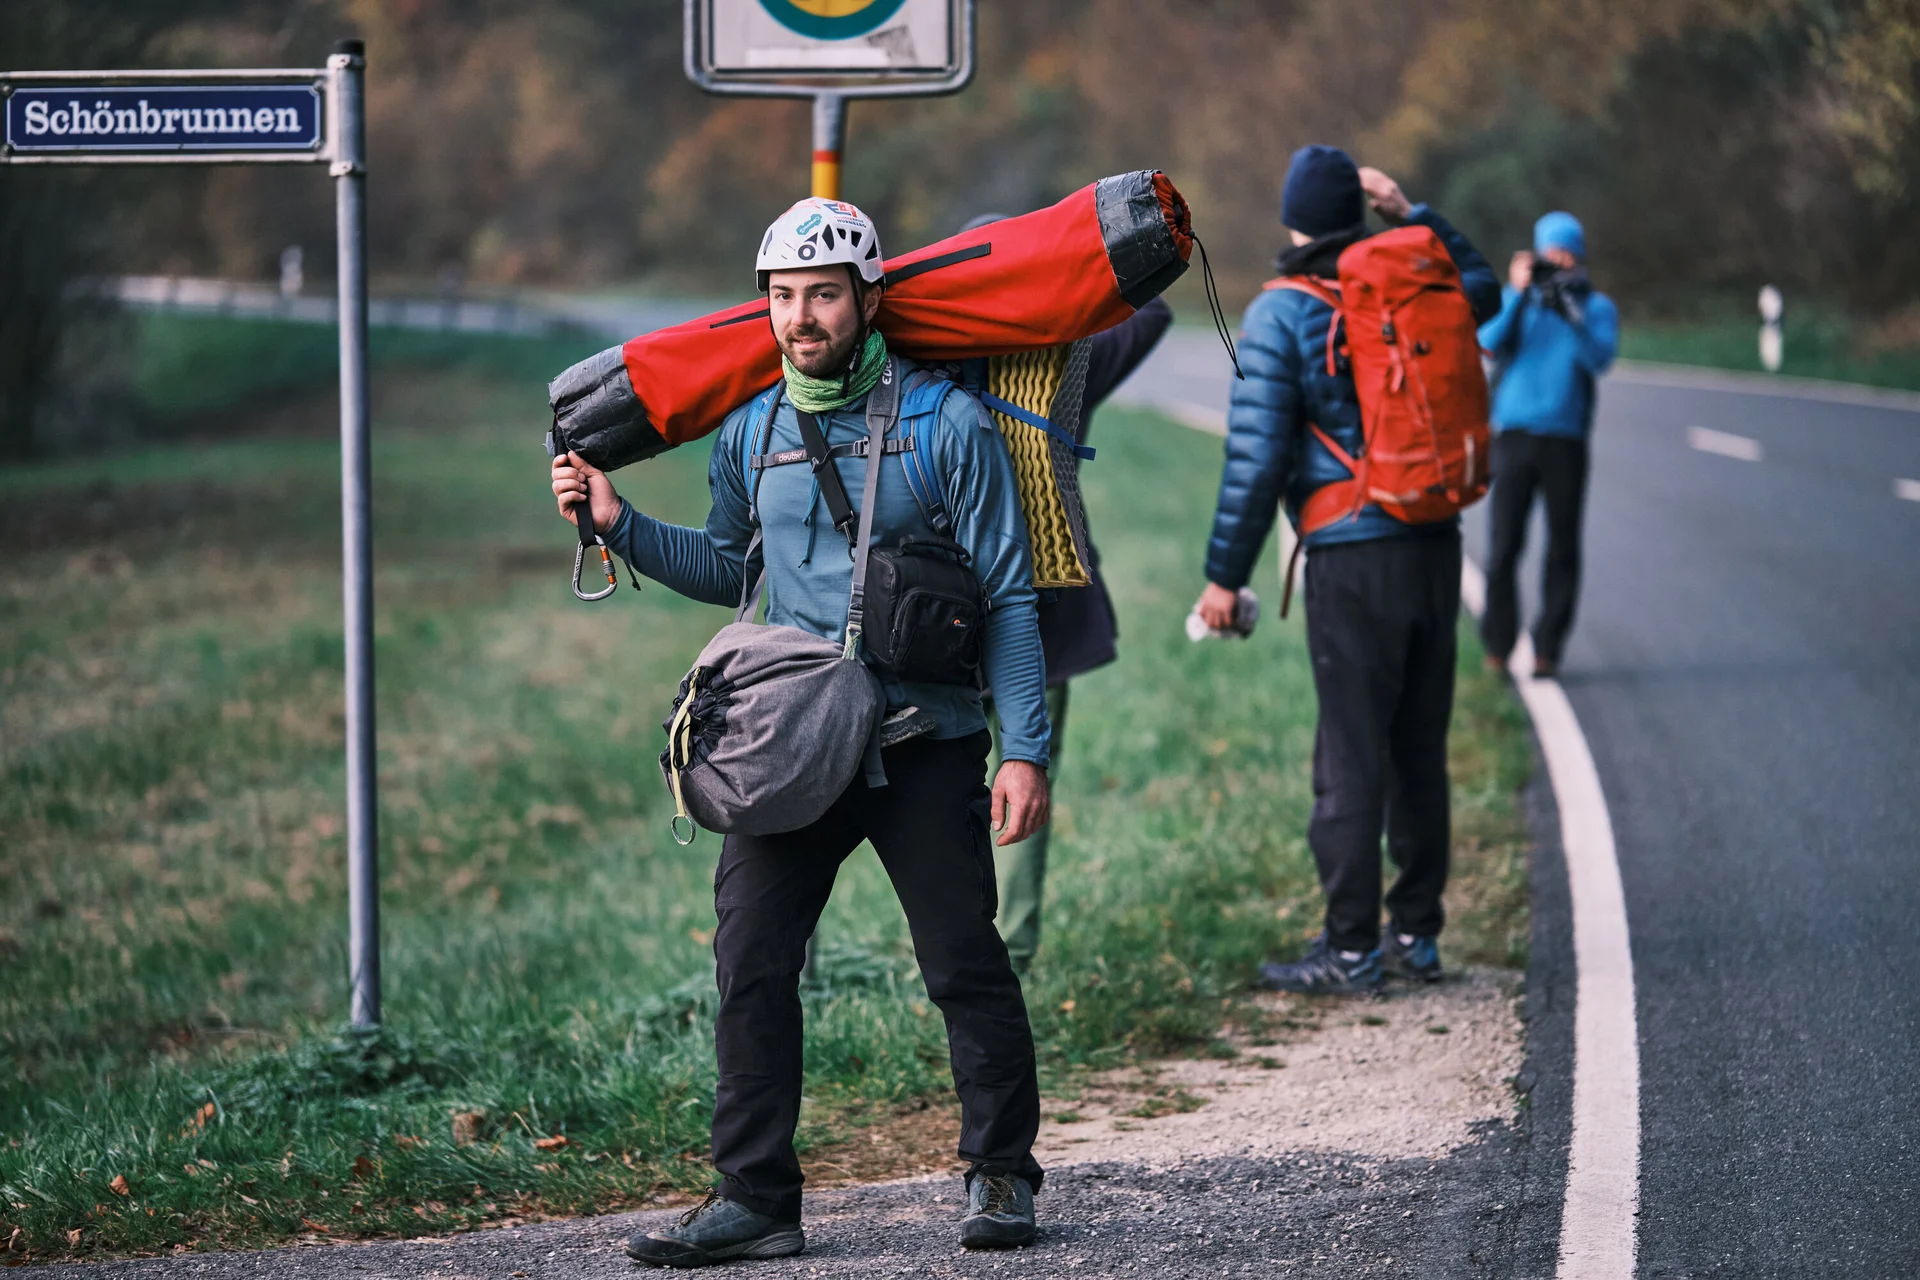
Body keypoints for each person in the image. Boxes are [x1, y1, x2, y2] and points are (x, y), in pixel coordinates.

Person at [552, 198, 1050, 1265]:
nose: (800, 316)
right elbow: (733, 571)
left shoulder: (947, 425)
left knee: (962, 957)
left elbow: (1008, 595)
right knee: (752, 960)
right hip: (795, 744)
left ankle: (1001, 1171)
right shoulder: (754, 430)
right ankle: (756, 1199)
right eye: (782, 296)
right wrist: (617, 522)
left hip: (927, 736)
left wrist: (1027, 749)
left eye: (823, 294)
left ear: (870, 300)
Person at [1192, 145, 1500, 993]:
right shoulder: (1421, 286)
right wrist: (1414, 214)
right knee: (1417, 748)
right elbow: (1489, 290)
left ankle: (1352, 947)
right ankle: (1420, 935)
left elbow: (1254, 461)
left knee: (1350, 754)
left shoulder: (1281, 313)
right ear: (1359, 214)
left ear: (1293, 218)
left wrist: (1225, 576)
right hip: (1434, 543)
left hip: (1351, 557)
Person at [962, 213, 1175, 977]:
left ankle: (950, 940)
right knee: (1028, 775)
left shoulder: (922, 359)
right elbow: (1154, 308)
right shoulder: (1072, 354)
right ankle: (1011, 950)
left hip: (940, 605)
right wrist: (1069, 270)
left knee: (942, 784)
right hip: (1049, 603)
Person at [1475, 211, 1620, 678]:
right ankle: (1498, 645)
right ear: (1535, 255)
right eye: (1550, 255)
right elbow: (1487, 343)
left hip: (1566, 439)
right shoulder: (1517, 299)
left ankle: (1548, 648)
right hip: (1513, 434)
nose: (1558, 263)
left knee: (1562, 549)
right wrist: (1519, 293)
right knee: (1502, 549)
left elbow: (1598, 359)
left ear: (1579, 259)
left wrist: (1571, 313)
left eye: (1567, 255)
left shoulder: (1596, 308)